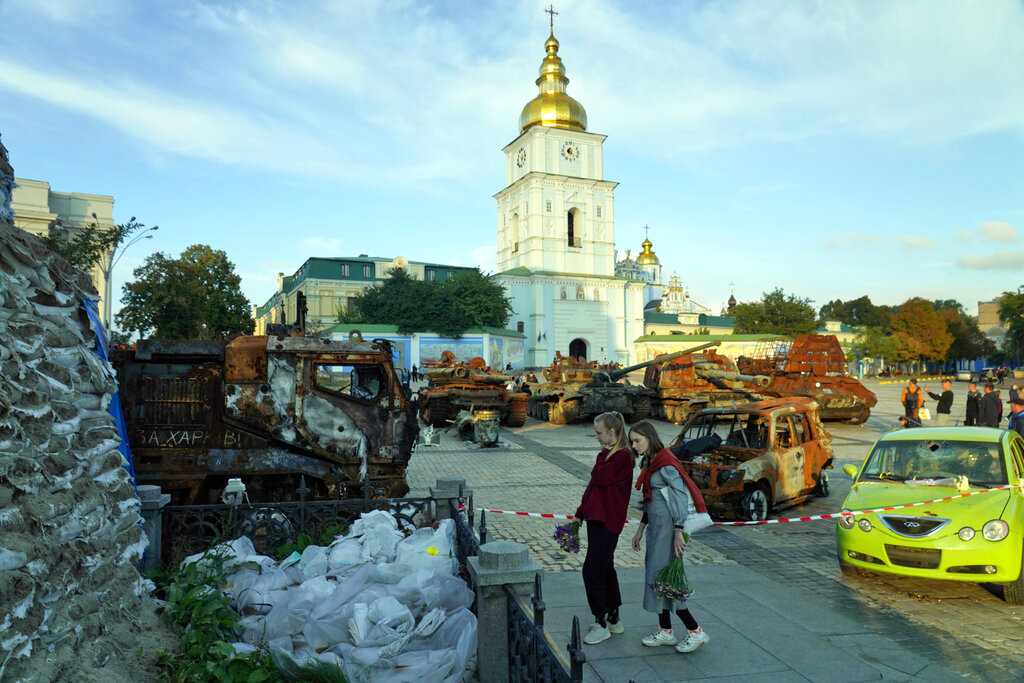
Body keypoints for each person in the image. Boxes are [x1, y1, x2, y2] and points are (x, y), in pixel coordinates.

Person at [629, 421, 712, 654]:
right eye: (632, 441)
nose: (634, 445)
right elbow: (652, 500)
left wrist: (678, 531)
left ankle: (696, 631)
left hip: (668, 530)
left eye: (637, 440)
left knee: (668, 579)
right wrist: (641, 528)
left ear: (649, 437)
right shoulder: (652, 461)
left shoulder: (665, 463)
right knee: (657, 577)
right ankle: (666, 630)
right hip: (658, 529)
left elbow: (678, 499)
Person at [574, 412, 634, 645]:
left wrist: (602, 456)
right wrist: (580, 512)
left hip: (608, 521)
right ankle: (614, 617)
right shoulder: (611, 454)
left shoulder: (621, 456)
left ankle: (600, 622)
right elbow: (593, 487)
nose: (596, 437)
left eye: (599, 433)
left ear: (612, 431)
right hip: (598, 518)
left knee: (592, 570)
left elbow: (598, 477)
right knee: (605, 567)